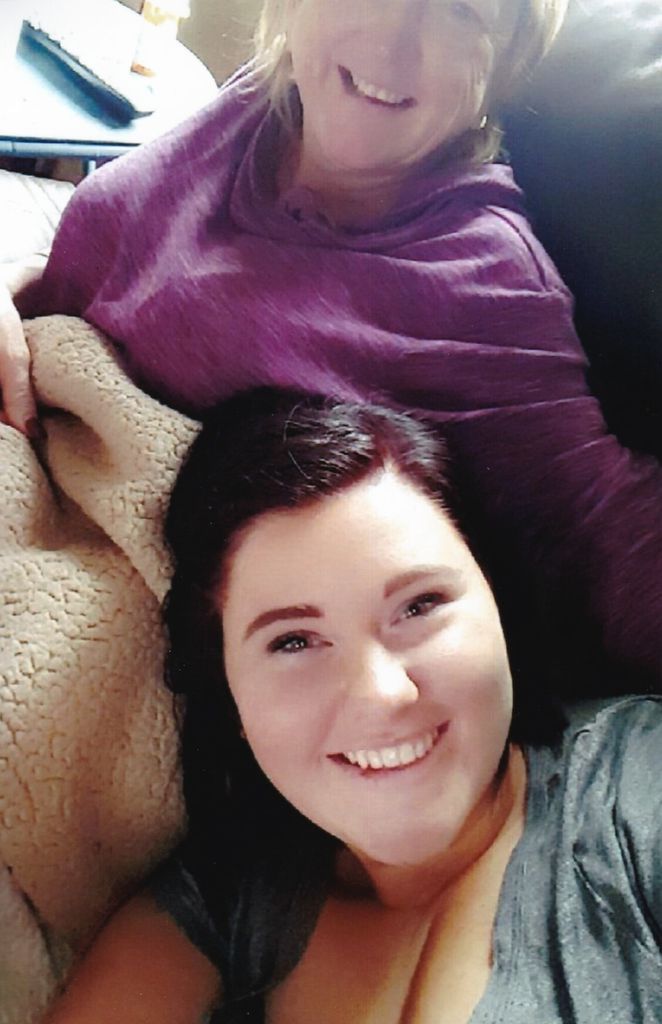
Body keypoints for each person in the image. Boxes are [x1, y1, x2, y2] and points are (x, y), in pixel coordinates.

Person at [1, 1, 660, 685]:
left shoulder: (486, 284)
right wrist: (14, 284)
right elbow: (125, 261)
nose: (393, 42)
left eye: (461, 10)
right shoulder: (271, 98)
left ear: (507, 61)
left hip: (95, 623)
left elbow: (610, 547)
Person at [44, 387, 662, 1024]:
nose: (383, 694)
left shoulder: (637, 789)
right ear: (228, 695)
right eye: (293, 641)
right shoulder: (214, 906)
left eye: (419, 606)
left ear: (496, 602)